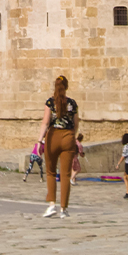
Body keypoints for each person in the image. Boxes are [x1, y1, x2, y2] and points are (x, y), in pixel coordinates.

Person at [36, 74, 78, 218]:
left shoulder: (50, 102)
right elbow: (76, 124)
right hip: (68, 137)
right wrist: (71, 136)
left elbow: (45, 122)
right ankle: (64, 209)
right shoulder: (72, 103)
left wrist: (39, 141)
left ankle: (52, 204)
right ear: (66, 87)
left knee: (51, 172)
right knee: (65, 174)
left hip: (53, 136)